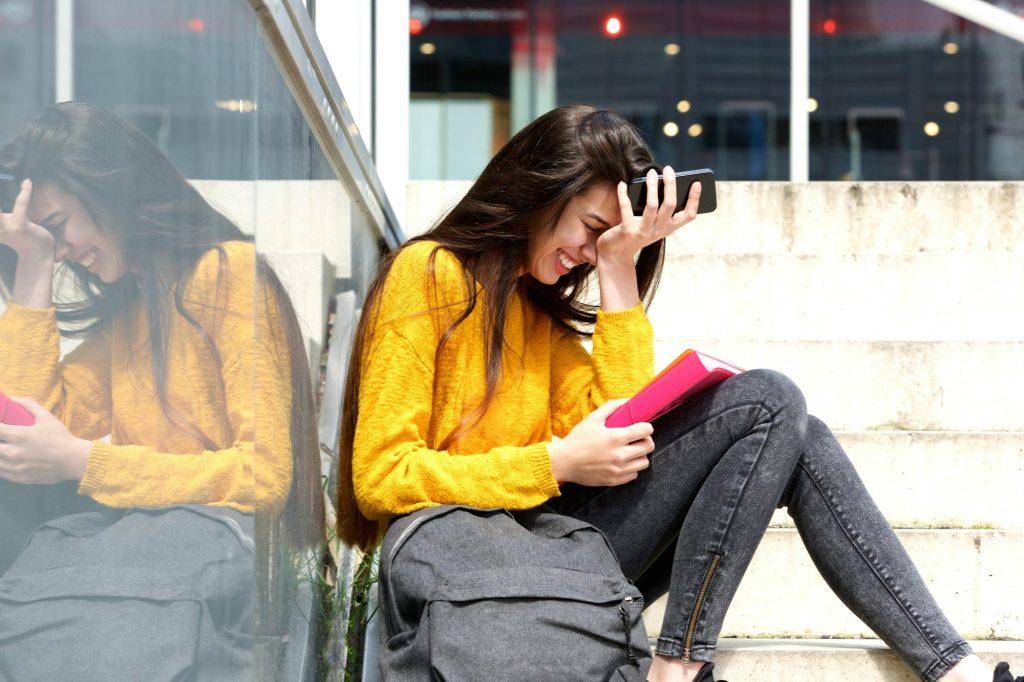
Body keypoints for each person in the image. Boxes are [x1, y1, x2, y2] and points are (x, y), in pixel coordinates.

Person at [335, 104, 1017, 682]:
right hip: (481, 563)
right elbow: (380, 477)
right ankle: (680, 663)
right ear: (541, 188)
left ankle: (954, 669)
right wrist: (555, 464)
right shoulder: (428, 276)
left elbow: (635, 431)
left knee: (790, 427)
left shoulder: (537, 313)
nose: (587, 250)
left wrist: (619, 266)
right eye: (592, 229)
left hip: (561, 549)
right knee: (774, 401)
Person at [0, 102, 323, 678]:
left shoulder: (227, 273)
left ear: (111, 190)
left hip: (205, 564)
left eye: (59, 228)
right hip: (142, 569)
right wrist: (34, 264)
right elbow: (23, 430)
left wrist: (85, 461)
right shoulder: (130, 315)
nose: (65, 249)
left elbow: (266, 477)